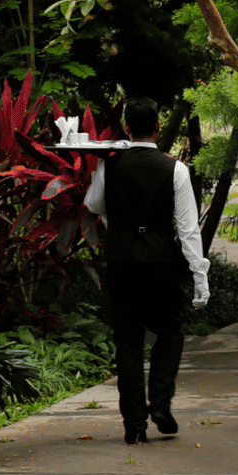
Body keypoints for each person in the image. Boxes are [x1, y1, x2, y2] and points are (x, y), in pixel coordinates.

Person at [84, 97, 210, 445]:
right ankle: (161, 404)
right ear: (157, 128)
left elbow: (92, 204)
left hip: (121, 263)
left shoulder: (111, 164)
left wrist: (101, 174)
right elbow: (187, 229)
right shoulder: (175, 169)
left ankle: (134, 425)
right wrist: (200, 275)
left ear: (126, 128)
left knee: (128, 341)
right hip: (159, 265)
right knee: (169, 333)